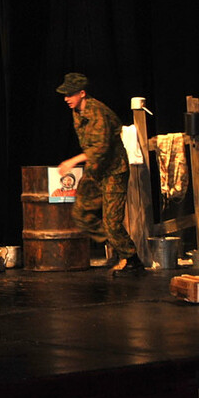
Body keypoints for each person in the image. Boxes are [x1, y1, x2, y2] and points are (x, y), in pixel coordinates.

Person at [56, 72, 145, 276]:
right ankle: (116, 245)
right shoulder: (77, 111)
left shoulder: (97, 113)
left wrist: (73, 161)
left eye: (70, 94)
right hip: (96, 170)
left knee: (112, 223)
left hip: (114, 171)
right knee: (81, 213)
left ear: (82, 93)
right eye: (65, 95)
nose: (66, 99)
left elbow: (100, 148)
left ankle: (132, 260)